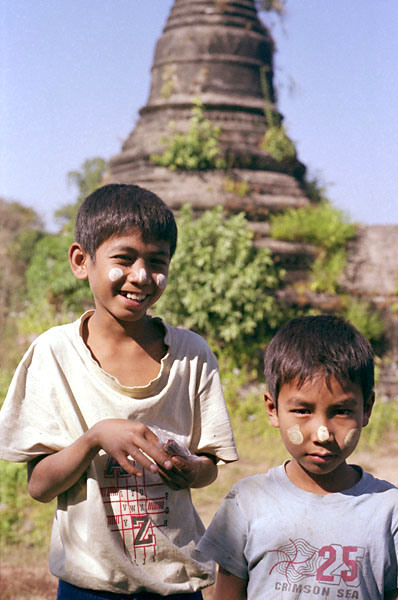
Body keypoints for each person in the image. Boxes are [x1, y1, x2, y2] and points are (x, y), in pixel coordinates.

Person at [0, 184, 238, 599]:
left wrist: (189, 467)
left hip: (175, 583)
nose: (142, 276)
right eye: (124, 259)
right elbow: (39, 486)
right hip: (90, 584)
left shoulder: (191, 355)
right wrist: (94, 438)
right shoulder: (54, 354)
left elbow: (209, 468)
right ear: (81, 261)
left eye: (157, 261)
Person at [197, 315, 398, 600]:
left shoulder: (389, 510)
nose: (322, 433)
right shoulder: (248, 501)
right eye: (302, 410)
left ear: (367, 409)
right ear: (272, 409)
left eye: (341, 411)